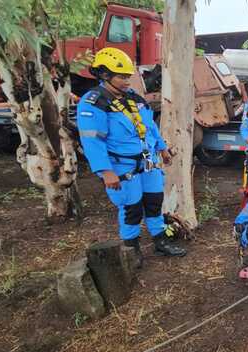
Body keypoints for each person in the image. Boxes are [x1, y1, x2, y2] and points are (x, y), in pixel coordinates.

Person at [76, 47, 186, 268]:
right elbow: (92, 141)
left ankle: (160, 240)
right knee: (131, 208)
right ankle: (131, 248)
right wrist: (105, 171)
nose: (127, 81)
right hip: (121, 167)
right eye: (122, 77)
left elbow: (150, 127)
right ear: (105, 75)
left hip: (148, 163)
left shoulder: (134, 98)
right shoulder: (93, 104)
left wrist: (163, 149)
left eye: (128, 76)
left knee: (154, 203)